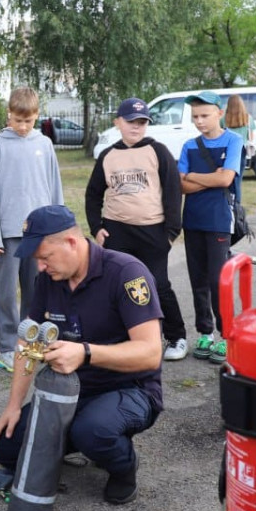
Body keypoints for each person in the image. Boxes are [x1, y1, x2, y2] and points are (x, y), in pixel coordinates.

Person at [0, 205, 162, 505]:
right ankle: (76, 439)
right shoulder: (48, 280)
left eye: (44, 257)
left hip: (129, 389)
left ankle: (124, 466)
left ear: (71, 242)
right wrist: (13, 406)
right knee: (4, 447)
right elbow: (27, 343)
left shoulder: (126, 273)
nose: (40, 267)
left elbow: (150, 353)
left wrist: (86, 353)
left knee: (94, 431)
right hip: (68, 393)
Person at [85, 97, 187, 362]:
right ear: (118, 122)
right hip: (117, 231)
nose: (137, 127)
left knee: (157, 285)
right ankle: (121, 336)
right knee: (117, 285)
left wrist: (171, 232)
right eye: (131, 121)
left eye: (142, 122)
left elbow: (173, 193)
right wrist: (97, 228)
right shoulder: (108, 155)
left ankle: (176, 336)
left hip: (152, 231)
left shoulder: (158, 151)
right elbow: (93, 195)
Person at [0, 86, 64, 373]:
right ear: (9, 115)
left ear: (37, 117)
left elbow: (55, 188)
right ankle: (7, 348)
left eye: (28, 121)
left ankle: (31, 343)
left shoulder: (45, 144)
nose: (22, 126)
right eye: (17, 120)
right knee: (6, 292)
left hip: (39, 233)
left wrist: (59, 228)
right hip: (7, 234)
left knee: (36, 290)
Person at [178, 91, 243, 364]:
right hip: (192, 220)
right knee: (198, 281)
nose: (199, 121)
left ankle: (227, 335)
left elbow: (226, 178)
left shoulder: (234, 140)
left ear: (219, 112)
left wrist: (195, 178)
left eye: (204, 115)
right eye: (195, 117)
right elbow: (180, 183)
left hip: (219, 220)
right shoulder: (189, 146)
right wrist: (207, 178)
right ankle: (205, 333)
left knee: (218, 281)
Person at [223, 94, 256, 170]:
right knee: (240, 171)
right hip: (242, 148)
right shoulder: (248, 118)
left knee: (228, 170)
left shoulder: (223, 119)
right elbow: (251, 136)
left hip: (227, 148)